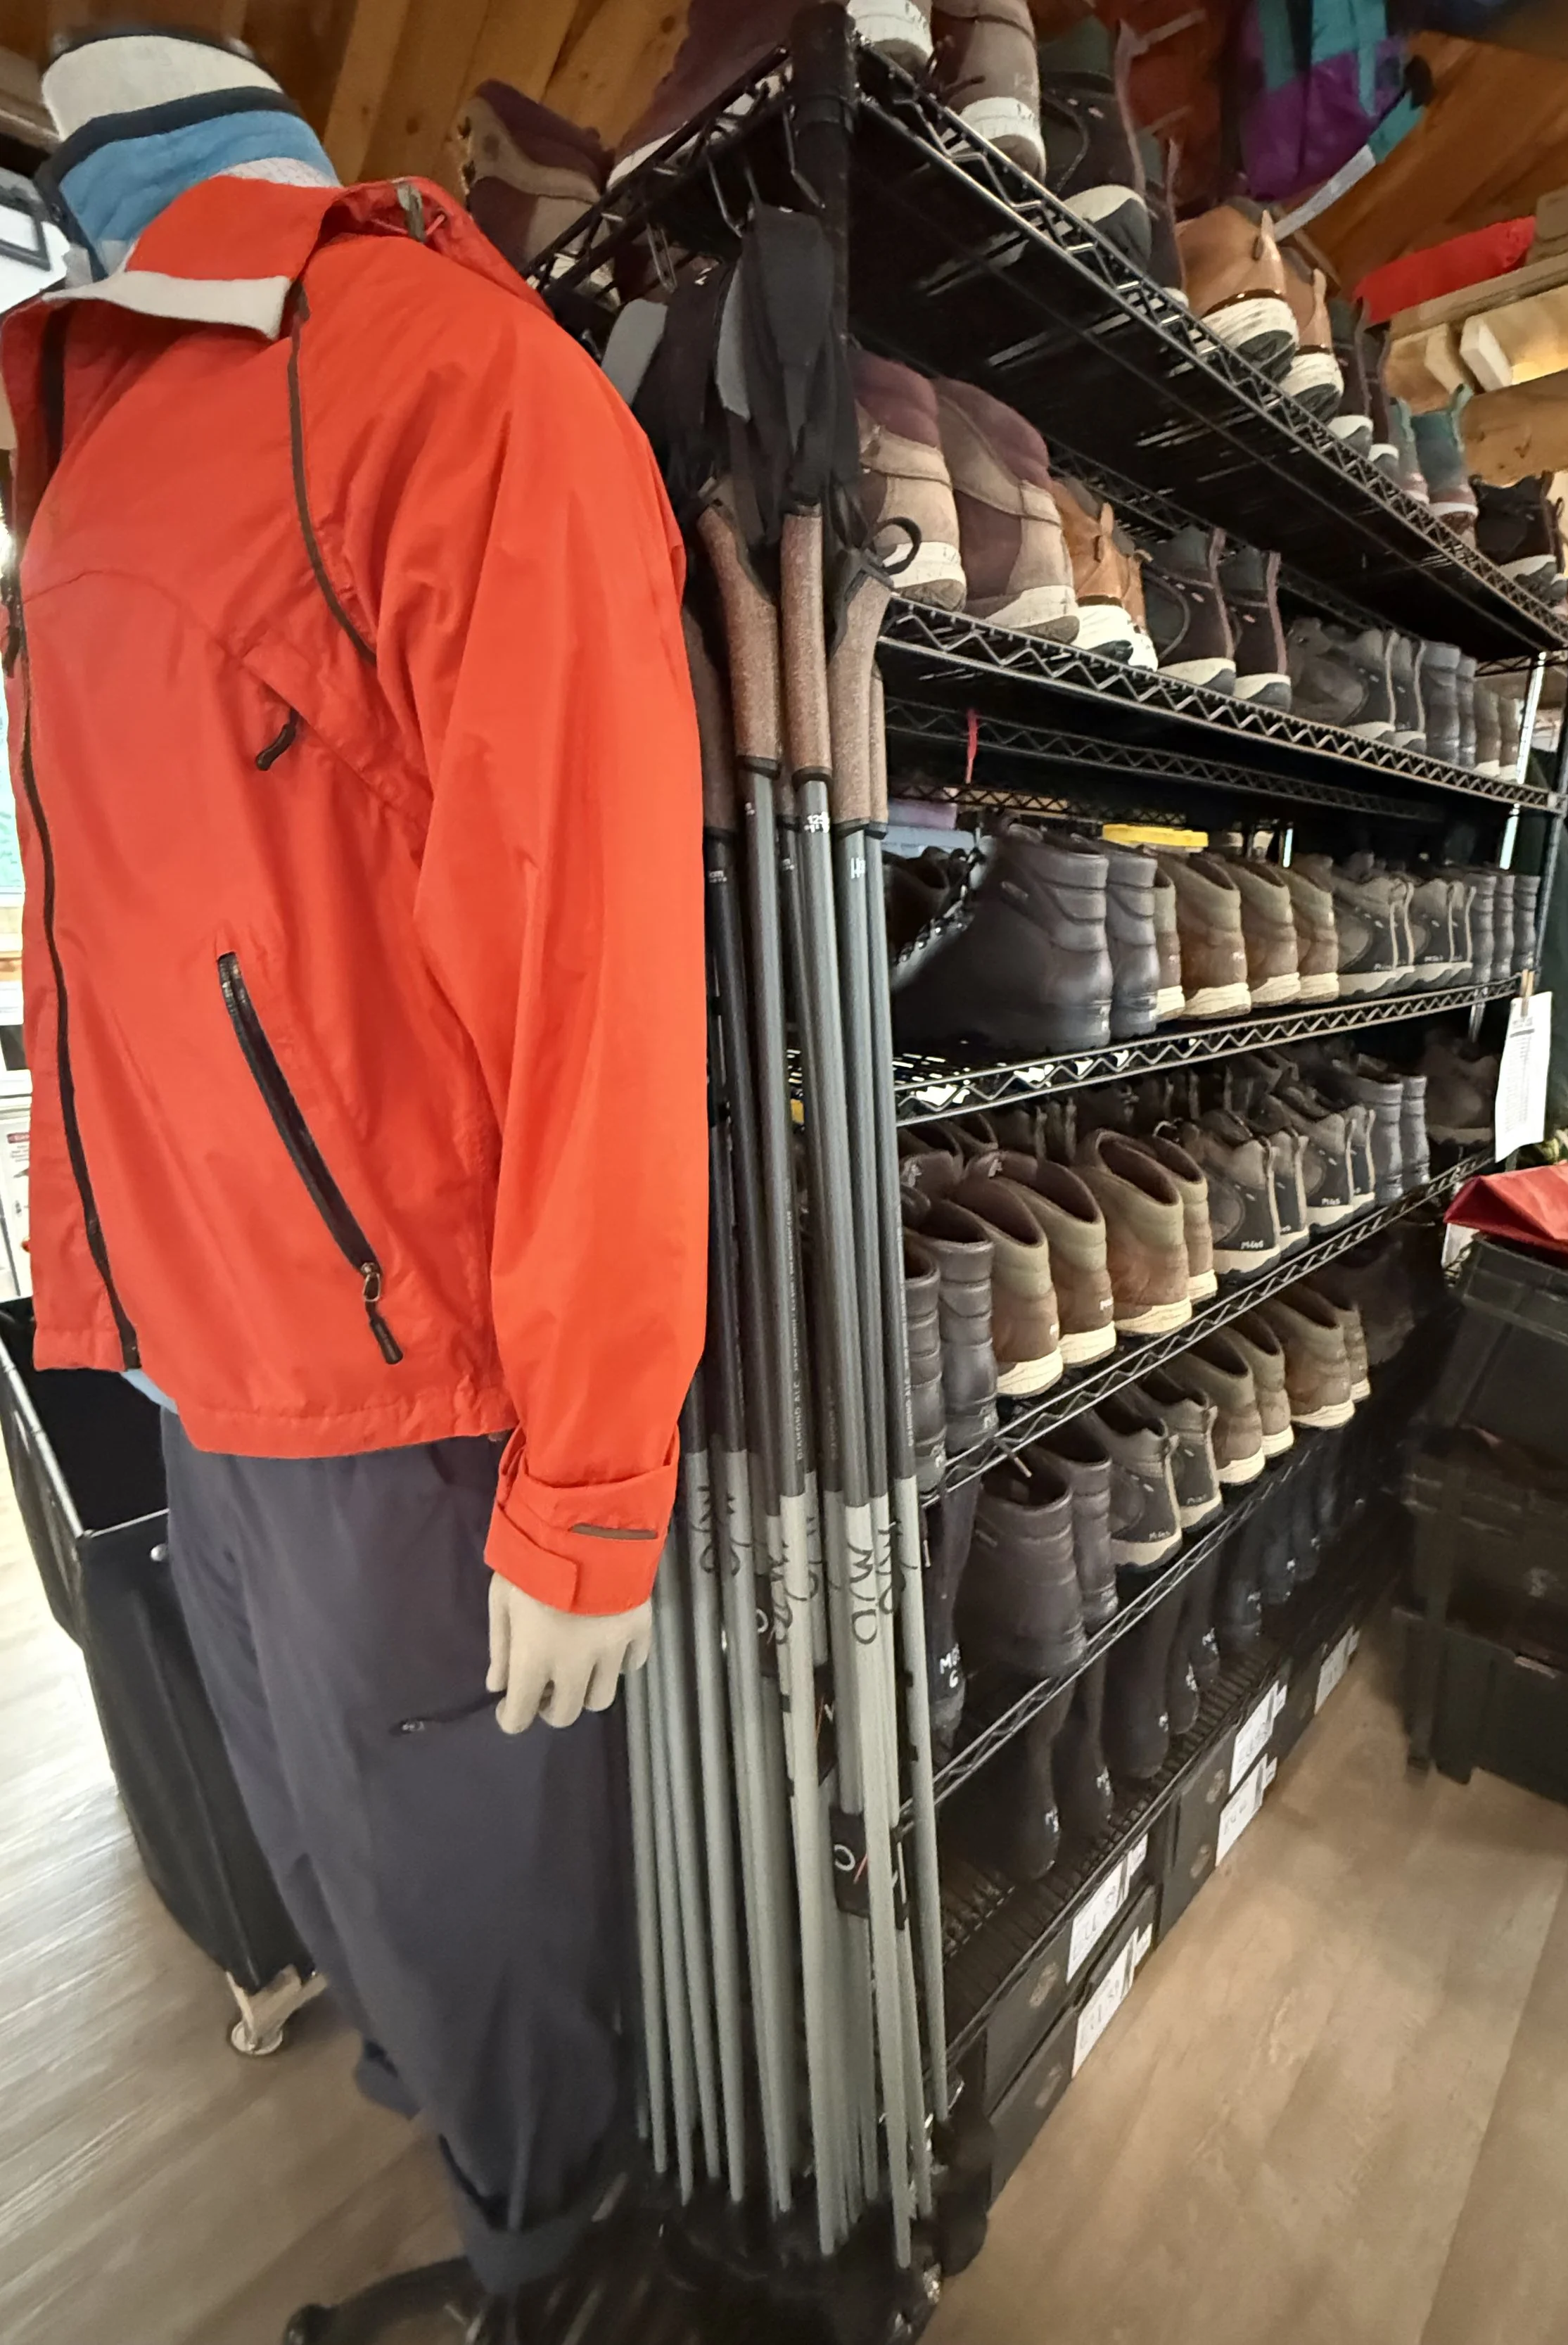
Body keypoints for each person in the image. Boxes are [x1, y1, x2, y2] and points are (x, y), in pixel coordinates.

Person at [5, 18, 704, 2338]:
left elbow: (595, 965)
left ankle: (565, 2278)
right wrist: (87, 1304)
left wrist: (592, 1478)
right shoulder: (88, 459)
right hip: (203, 1373)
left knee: (474, 1912)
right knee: (362, 1888)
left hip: (399, 1390)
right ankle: (515, 2235)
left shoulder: (437, 389)